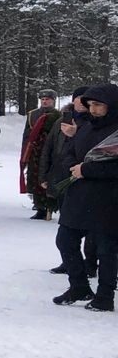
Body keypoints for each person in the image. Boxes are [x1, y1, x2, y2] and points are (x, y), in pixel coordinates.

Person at [53, 82, 118, 311]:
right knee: (65, 240)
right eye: (90, 105)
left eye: (98, 105)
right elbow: (69, 151)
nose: (93, 109)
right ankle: (79, 286)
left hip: (108, 197)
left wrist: (87, 170)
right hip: (79, 194)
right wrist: (72, 165)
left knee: (106, 250)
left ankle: (105, 296)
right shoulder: (86, 127)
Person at [23, 89, 61, 220]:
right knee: (34, 177)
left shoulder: (58, 115)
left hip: (50, 151)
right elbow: (27, 135)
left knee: (47, 177)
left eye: (47, 99)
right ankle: (39, 206)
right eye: (43, 99)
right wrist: (25, 152)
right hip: (35, 151)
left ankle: (49, 206)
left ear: (53, 100)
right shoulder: (32, 115)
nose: (45, 101)